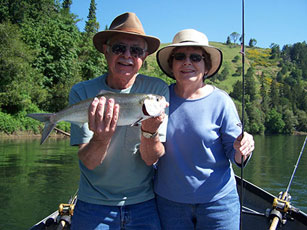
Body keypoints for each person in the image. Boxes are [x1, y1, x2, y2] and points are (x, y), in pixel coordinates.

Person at [69, 12, 169, 230]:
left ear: (143, 57)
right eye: (118, 48)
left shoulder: (157, 91)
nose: (127, 55)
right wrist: (101, 138)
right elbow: (89, 161)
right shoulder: (82, 92)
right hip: (93, 205)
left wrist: (149, 133)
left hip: (143, 203)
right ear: (106, 50)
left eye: (136, 50)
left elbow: (151, 159)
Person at [154, 29, 255, 230]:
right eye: (180, 57)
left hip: (219, 205)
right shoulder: (158, 98)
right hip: (169, 205)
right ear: (171, 65)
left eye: (195, 57)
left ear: (206, 66)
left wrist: (243, 148)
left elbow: (237, 157)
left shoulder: (222, 101)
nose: (187, 62)